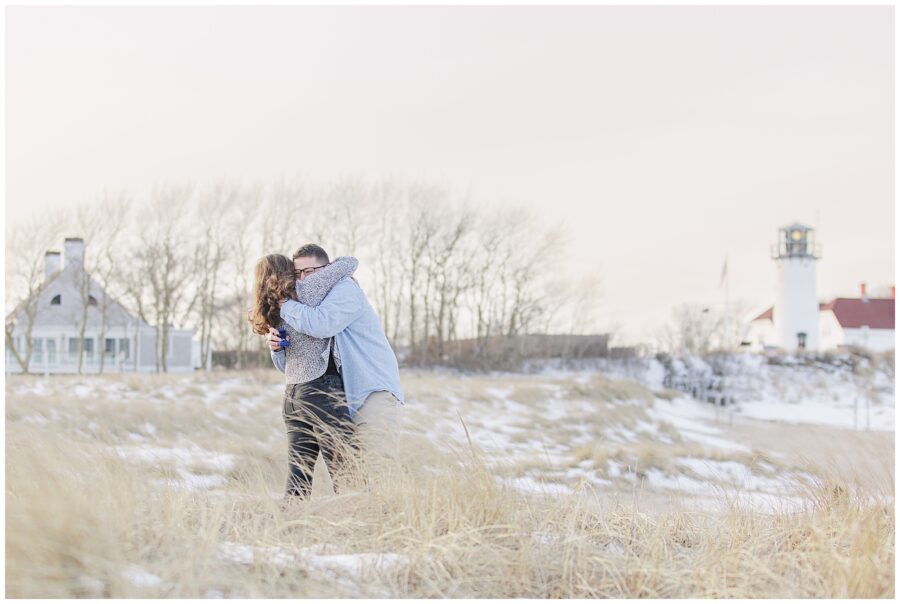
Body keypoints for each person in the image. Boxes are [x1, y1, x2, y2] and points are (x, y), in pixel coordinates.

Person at [269, 243, 405, 483]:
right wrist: (278, 348)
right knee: (352, 473)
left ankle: (390, 519)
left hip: (371, 391)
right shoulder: (308, 307)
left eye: (309, 272)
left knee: (378, 469)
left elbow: (323, 325)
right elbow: (289, 368)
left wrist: (285, 306)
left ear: (327, 268)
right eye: (297, 274)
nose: (302, 280)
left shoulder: (345, 290)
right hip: (342, 394)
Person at [249, 253, 359, 502]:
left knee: (299, 476)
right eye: (294, 269)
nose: (301, 275)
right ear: (286, 272)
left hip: (292, 397)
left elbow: (284, 359)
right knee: (348, 469)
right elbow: (350, 263)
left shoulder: (270, 309)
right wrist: (322, 266)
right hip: (321, 390)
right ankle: (357, 525)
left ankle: (289, 528)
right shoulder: (306, 292)